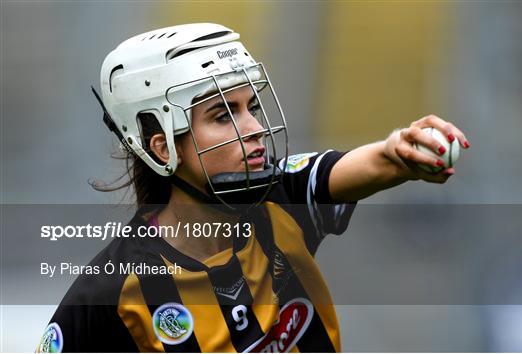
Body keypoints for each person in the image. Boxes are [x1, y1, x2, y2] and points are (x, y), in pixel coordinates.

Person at [37, 23, 470, 353]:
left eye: (252, 107)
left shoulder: (283, 197)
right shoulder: (108, 293)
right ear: (163, 145)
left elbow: (369, 164)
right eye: (224, 115)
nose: (255, 129)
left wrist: (402, 151)